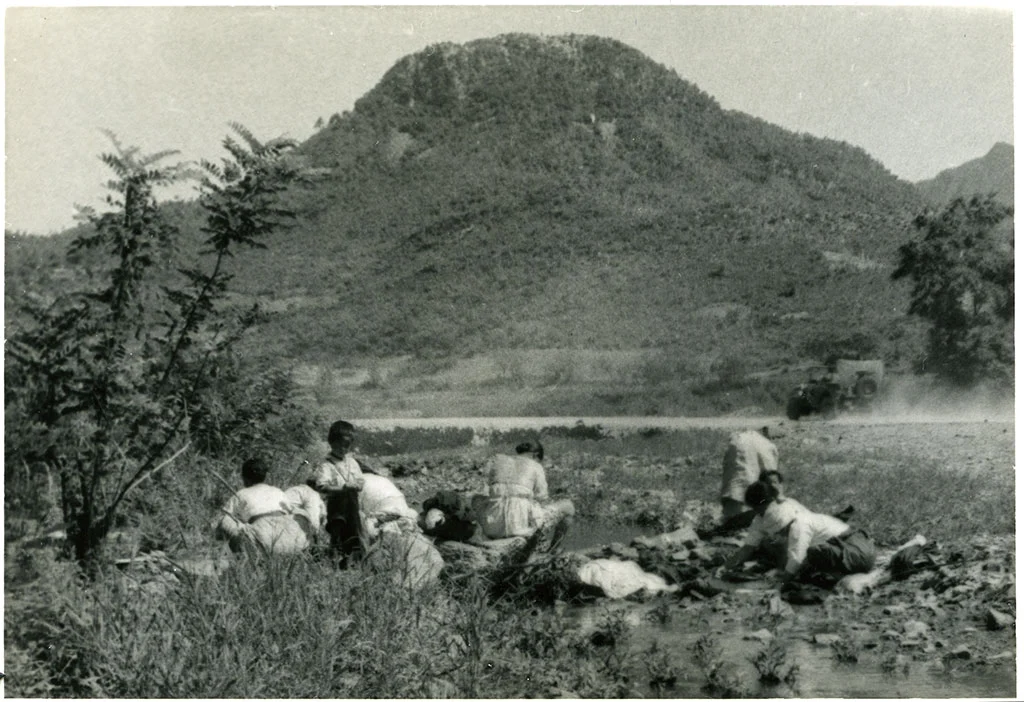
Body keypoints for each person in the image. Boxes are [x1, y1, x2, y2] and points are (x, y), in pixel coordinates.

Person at [725, 479, 876, 587]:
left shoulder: (796, 522)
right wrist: (725, 567)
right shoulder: (769, 515)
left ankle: (838, 576)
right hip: (839, 544)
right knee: (781, 550)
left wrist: (781, 583)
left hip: (857, 550)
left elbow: (797, 557)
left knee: (811, 553)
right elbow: (748, 547)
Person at [478, 441, 574, 542]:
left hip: (491, 526)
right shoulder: (536, 466)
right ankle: (553, 548)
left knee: (478, 499)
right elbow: (542, 497)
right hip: (519, 526)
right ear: (536, 455)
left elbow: (488, 487)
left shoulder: (498, 460)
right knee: (568, 506)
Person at [214, 457, 308, 556]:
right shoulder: (278, 491)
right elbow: (290, 510)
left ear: (244, 478)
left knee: (225, 521)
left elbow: (223, 518)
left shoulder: (241, 494)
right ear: (265, 476)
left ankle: (237, 553)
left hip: (263, 536)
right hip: (291, 538)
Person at [307, 420, 367, 565]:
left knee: (354, 528)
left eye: (347, 445)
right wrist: (342, 488)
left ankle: (353, 557)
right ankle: (334, 556)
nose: (343, 448)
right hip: (336, 503)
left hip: (352, 504)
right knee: (337, 528)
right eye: (339, 444)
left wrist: (357, 485)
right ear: (331, 442)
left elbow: (360, 480)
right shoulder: (326, 464)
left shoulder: (352, 462)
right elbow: (322, 486)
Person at [719, 427, 779, 521]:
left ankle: (733, 518)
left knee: (736, 489)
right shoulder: (767, 444)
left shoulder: (740, 441)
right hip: (760, 444)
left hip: (740, 443)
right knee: (765, 489)